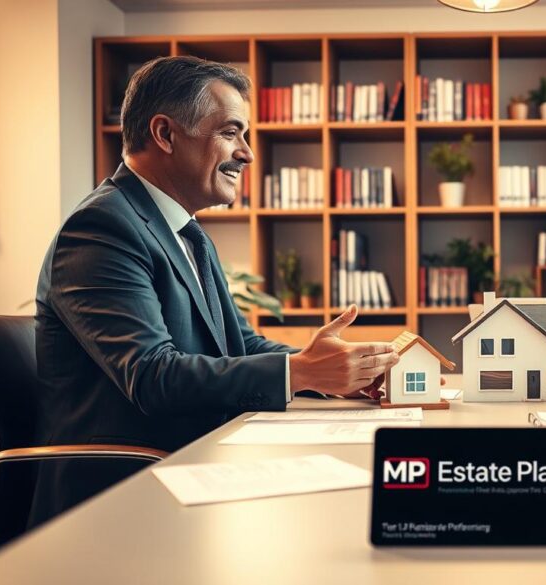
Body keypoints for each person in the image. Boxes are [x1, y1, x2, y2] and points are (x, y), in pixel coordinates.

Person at [31, 56, 400, 524]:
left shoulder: (185, 232)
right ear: (165, 134)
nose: (247, 153)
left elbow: (239, 343)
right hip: (118, 495)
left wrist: (329, 369)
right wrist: (300, 372)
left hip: (190, 467)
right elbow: (151, 375)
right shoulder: (102, 228)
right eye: (230, 132)